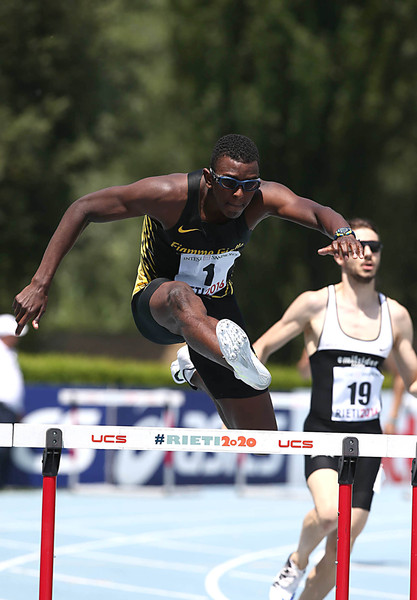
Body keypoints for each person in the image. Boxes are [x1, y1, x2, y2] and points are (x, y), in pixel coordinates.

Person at [13, 134, 363, 433]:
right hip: (159, 304)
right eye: (229, 184)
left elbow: (317, 211)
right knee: (182, 295)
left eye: (248, 186)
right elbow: (84, 207)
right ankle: (224, 355)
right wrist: (40, 283)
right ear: (210, 178)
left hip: (216, 312)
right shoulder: (169, 195)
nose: (239, 196)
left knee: (261, 440)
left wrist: (344, 232)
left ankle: (198, 368)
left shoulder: (261, 198)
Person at [253, 217, 417, 600]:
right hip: (324, 433)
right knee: (329, 514)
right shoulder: (315, 304)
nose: (368, 255)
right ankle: (296, 560)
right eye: (359, 247)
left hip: (368, 442)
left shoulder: (395, 315)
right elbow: (260, 350)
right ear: (341, 254)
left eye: (375, 248)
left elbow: (411, 378)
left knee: (342, 550)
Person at [0, 314, 28, 488]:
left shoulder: (9, 353)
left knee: (5, 449)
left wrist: (17, 408)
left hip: (8, 409)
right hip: (1, 407)